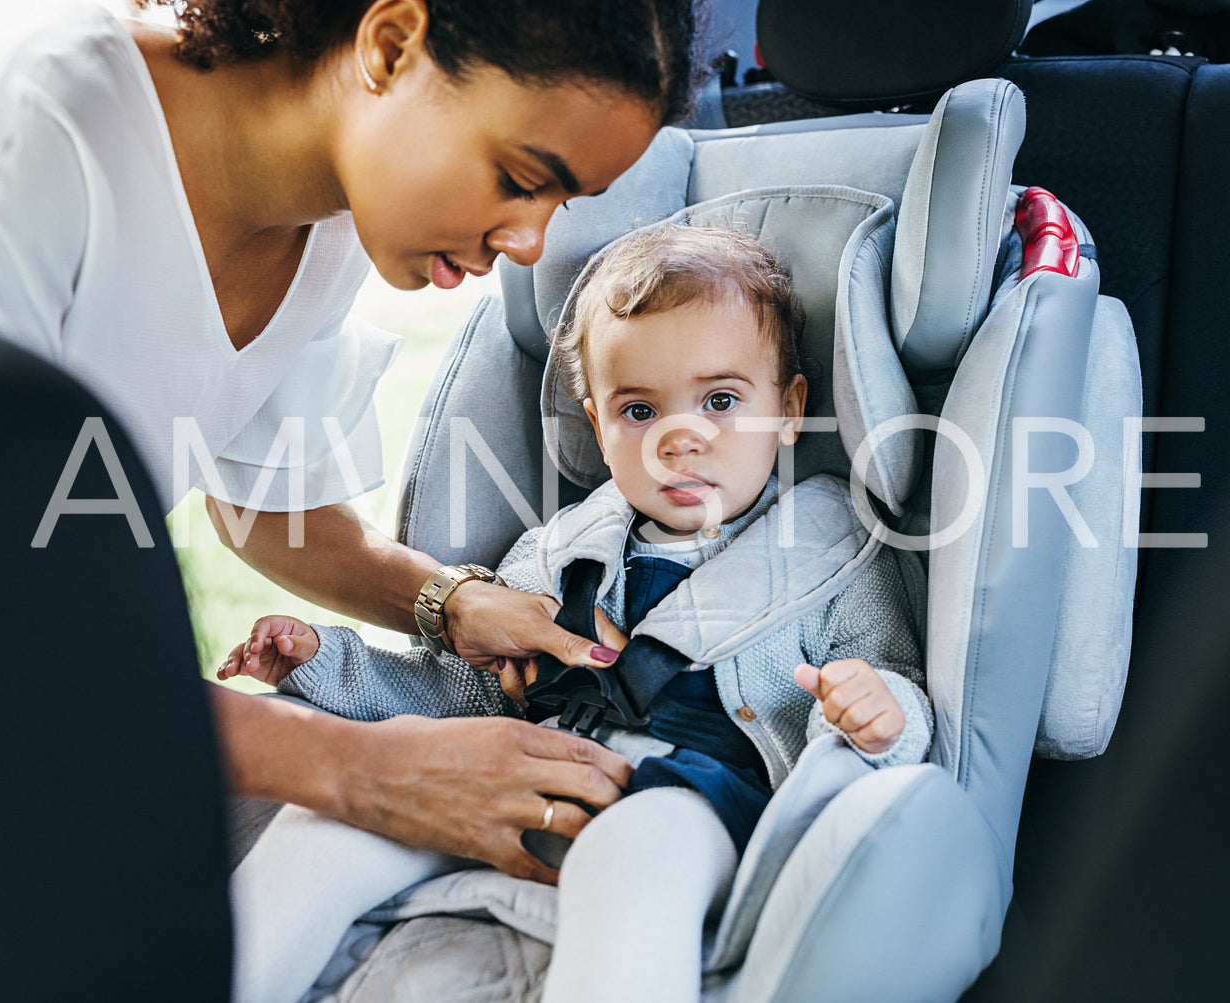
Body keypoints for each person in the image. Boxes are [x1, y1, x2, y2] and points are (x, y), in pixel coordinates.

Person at [0, 0, 700, 882]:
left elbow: (271, 509)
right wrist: (361, 767)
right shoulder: (39, 125)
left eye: (559, 201)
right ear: (392, 45)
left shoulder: (333, 220)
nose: (529, 242)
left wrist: (454, 604)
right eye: (515, 175)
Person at [222, 225, 935, 1003]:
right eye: (638, 410)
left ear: (789, 408)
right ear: (597, 425)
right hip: (531, 768)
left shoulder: (835, 555)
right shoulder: (557, 554)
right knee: (322, 824)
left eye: (721, 400)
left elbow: (898, 685)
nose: (678, 437)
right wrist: (324, 658)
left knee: (632, 850)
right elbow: (457, 695)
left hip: (691, 800)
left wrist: (879, 707)